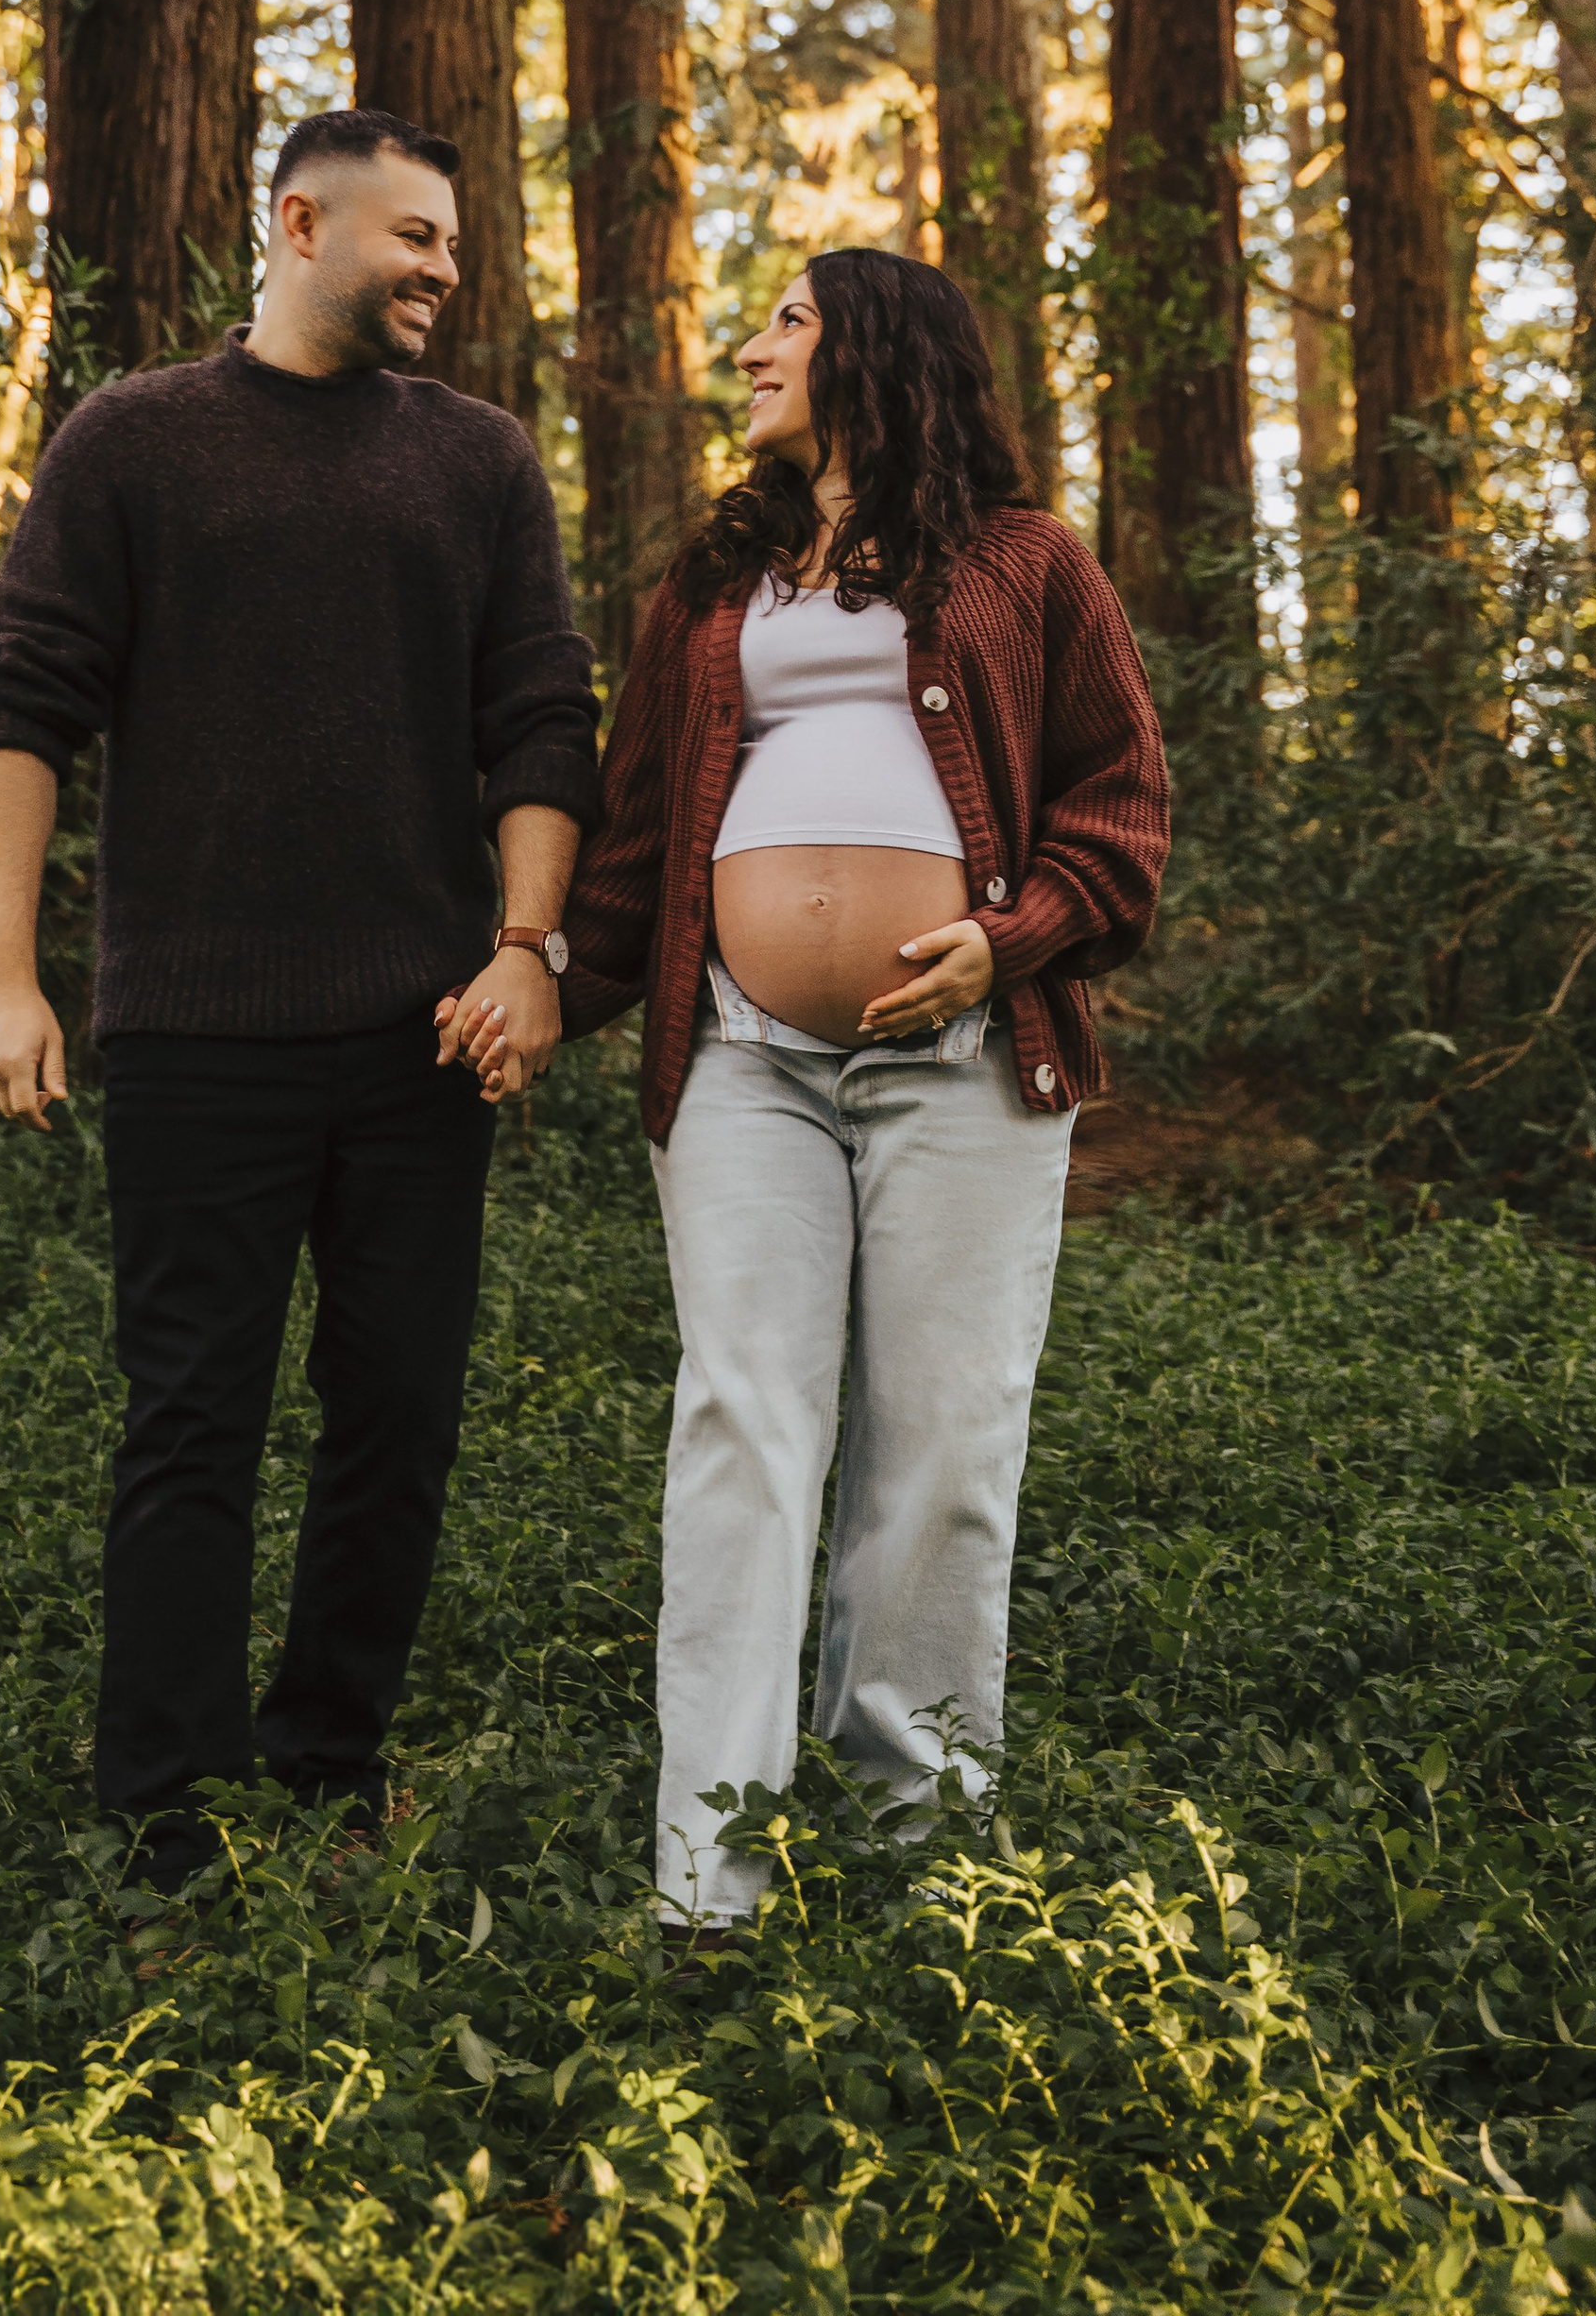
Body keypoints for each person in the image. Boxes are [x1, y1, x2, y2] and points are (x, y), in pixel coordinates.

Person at [475, 247, 1166, 1933]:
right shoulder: (715, 594)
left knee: (939, 1451)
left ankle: (915, 1863)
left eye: (786, 318)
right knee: (745, 1430)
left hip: (967, 1066)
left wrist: (1007, 945)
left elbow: (1122, 810)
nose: (752, 346)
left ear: (878, 350)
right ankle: (708, 1874)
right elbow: (639, 841)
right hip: (740, 1060)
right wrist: (546, 978)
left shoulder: (1028, 565)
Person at [0, 108, 599, 1892]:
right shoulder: (136, 439)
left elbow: (542, 720)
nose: (443, 274)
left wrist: (526, 946)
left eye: (455, 247)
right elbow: (22, 711)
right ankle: (161, 1815)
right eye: (416, 239)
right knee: (193, 1422)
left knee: (398, 1414)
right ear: (301, 223)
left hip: (422, 1037)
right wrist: (8, 983)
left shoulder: (479, 461)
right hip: (192, 1039)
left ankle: (330, 1768)